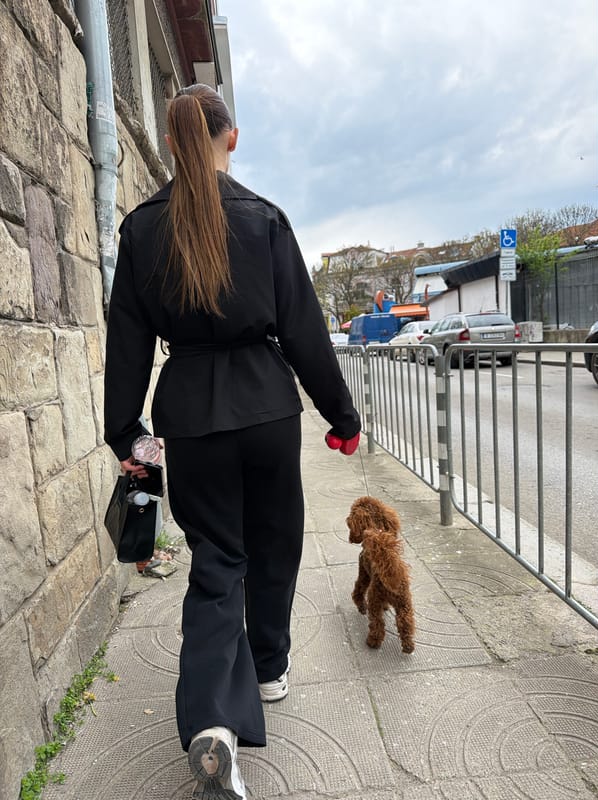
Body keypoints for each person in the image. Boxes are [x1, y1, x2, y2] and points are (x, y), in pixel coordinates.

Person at [103, 83, 361, 800]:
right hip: (268, 409)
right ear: (231, 138)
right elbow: (305, 330)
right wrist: (341, 419)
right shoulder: (264, 219)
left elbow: (126, 346)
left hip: (190, 416)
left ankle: (213, 719)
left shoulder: (140, 230)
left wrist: (127, 435)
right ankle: (270, 670)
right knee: (275, 545)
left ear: (169, 143)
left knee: (217, 562)